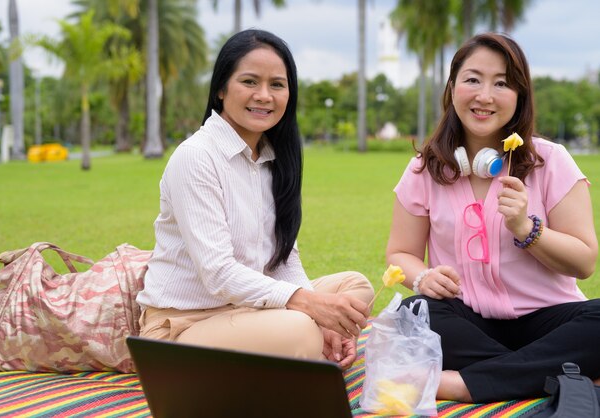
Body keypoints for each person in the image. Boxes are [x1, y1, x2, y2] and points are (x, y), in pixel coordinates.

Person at [136, 29, 374, 370]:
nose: (264, 95)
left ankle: (301, 342)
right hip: (184, 327)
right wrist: (309, 310)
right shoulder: (196, 156)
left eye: (277, 85)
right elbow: (218, 273)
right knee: (301, 330)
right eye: (250, 81)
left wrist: (321, 314)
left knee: (355, 286)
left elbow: (284, 259)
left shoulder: (271, 160)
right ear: (221, 89)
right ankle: (305, 346)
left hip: (252, 311)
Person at [385, 32, 600, 403]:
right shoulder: (424, 170)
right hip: (466, 323)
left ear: (519, 97)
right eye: (472, 80)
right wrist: (423, 277)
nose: (484, 96)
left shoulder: (552, 161)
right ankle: (566, 377)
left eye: (501, 83)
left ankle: (461, 385)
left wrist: (527, 229)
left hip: (548, 321)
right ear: (452, 88)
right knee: (415, 311)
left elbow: (584, 263)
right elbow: (399, 254)